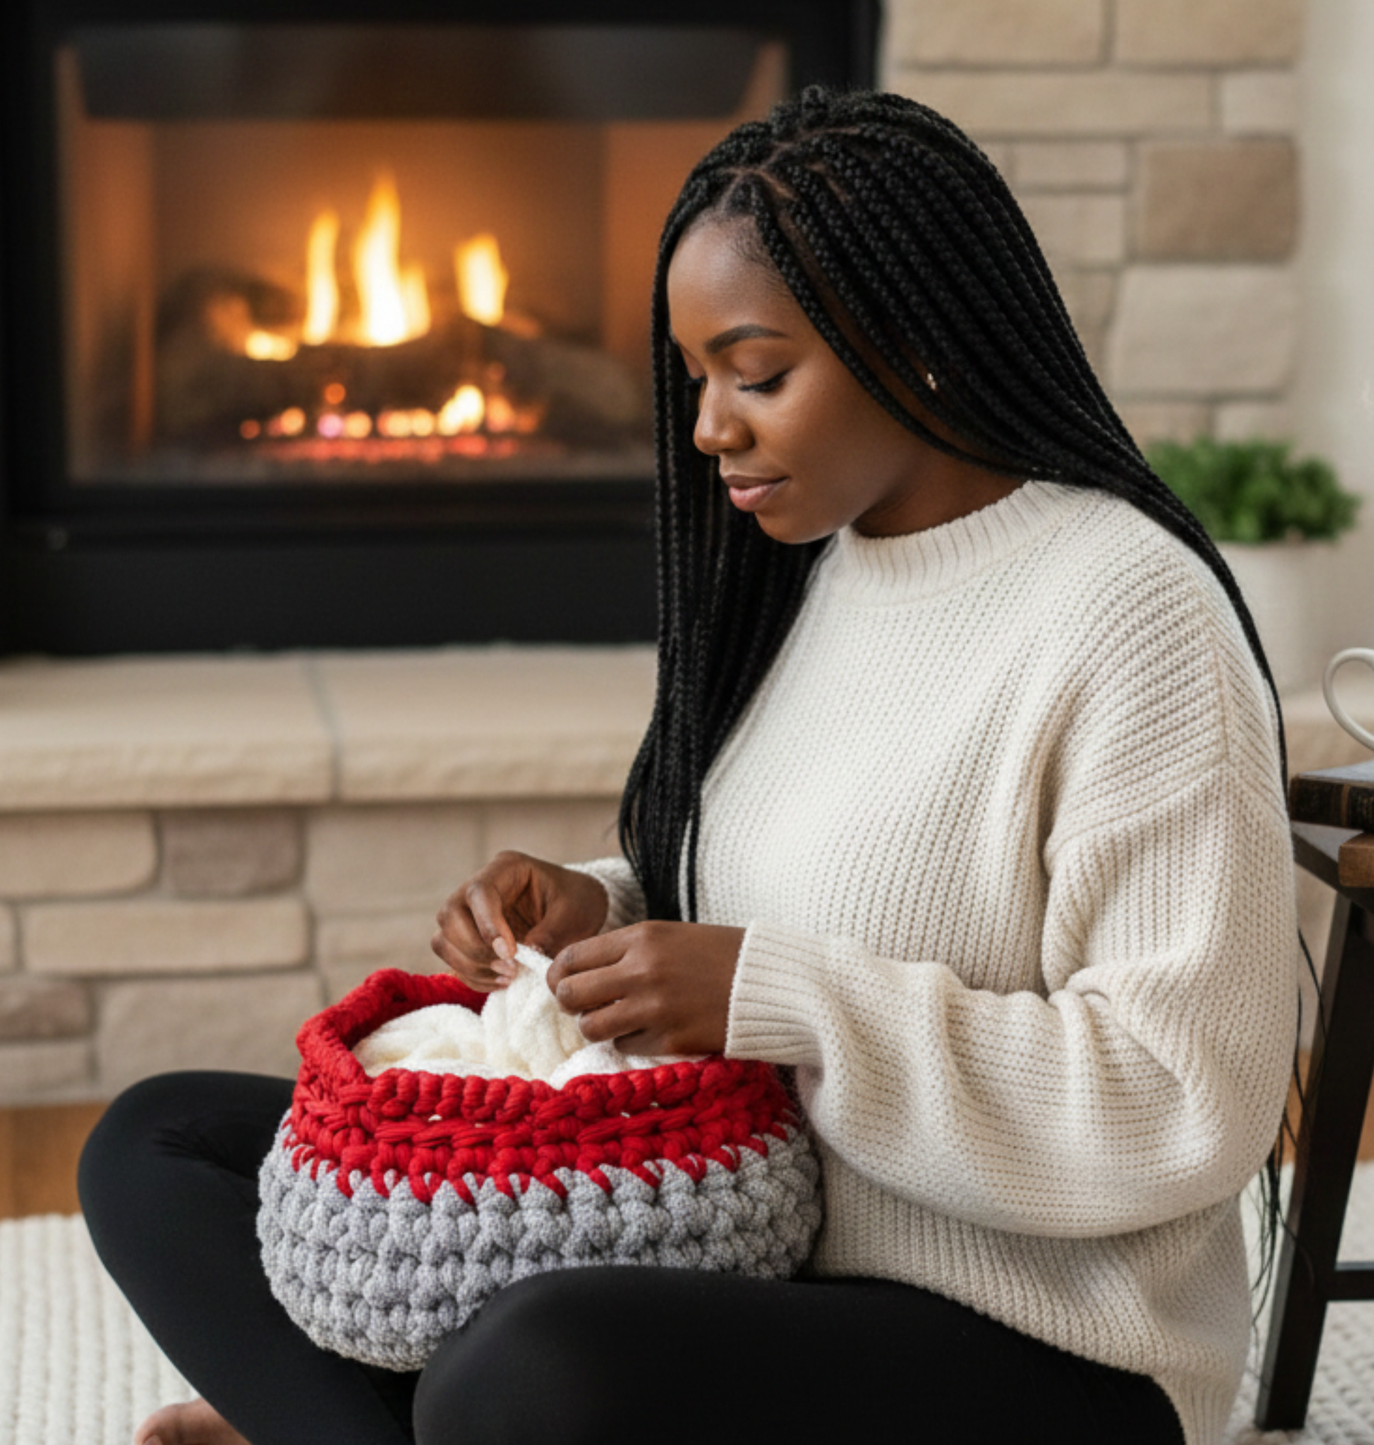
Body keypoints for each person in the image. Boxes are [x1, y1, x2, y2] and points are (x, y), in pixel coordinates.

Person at [80, 87, 1297, 1445]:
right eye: (695, 379)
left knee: (526, 1368)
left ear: (917, 342)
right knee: (161, 1149)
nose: (711, 425)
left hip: (1041, 1347)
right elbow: (791, 882)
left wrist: (775, 1001)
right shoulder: (813, 570)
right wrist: (600, 907)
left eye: (756, 374)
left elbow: (1186, 1097)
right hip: (740, 1244)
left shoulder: (1129, 612)